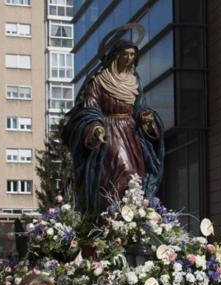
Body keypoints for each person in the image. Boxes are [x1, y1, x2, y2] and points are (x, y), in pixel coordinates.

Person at [62, 34, 164, 217]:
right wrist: (95, 127)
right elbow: (89, 108)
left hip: (131, 133)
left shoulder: (135, 81)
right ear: (116, 55)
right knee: (121, 171)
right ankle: (111, 217)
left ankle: (131, 219)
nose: (130, 58)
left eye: (133, 55)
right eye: (126, 54)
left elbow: (139, 107)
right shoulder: (99, 80)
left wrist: (145, 117)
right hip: (109, 132)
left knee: (137, 175)